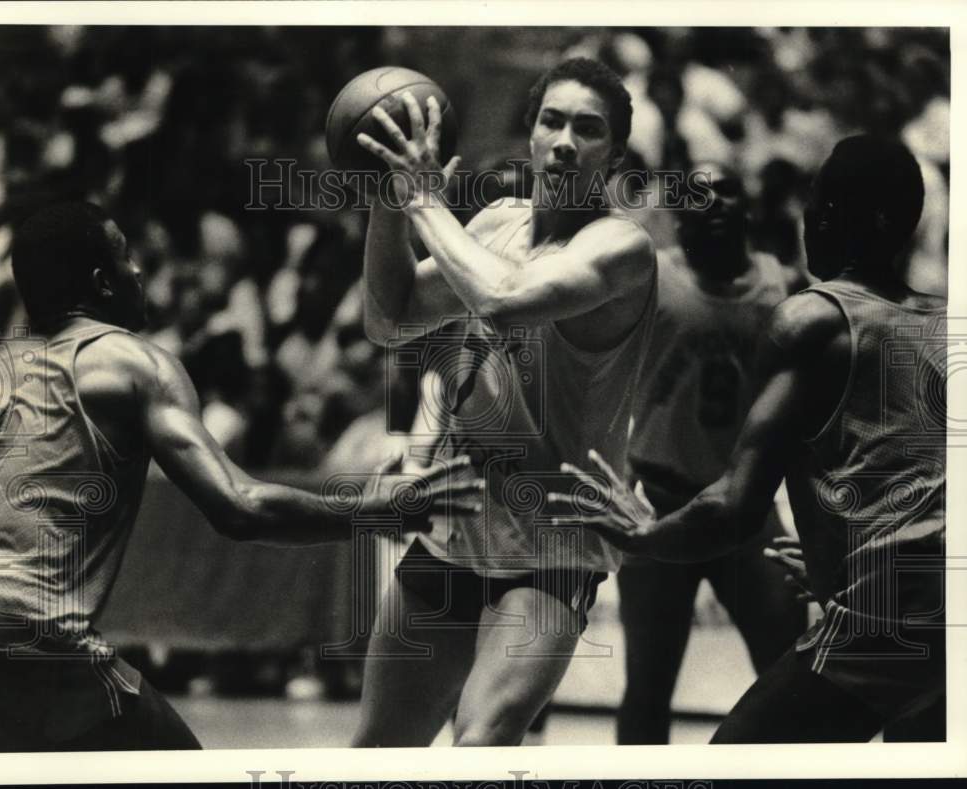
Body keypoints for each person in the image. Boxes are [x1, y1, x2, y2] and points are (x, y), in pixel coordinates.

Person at [0, 202, 482, 752]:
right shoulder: (132, 364)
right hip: (35, 629)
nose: (142, 270)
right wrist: (375, 509)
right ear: (102, 283)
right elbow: (239, 507)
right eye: (128, 256)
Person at [553, 135, 945, 743]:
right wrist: (846, 562)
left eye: (820, 203)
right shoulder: (949, 327)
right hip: (670, 487)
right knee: (651, 685)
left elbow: (737, 506)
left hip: (736, 518)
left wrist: (645, 534)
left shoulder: (798, 304)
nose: (806, 215)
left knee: (738, 751)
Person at [352, 57, 658, 746]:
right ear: (530, 132)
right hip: (458, 519)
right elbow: (388, 317)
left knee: (482, 740)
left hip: (555, 538)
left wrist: (426, 200)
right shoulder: (494, 224)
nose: (565, 141)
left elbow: (505, 300)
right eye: (552, 120)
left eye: (588, 128)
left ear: (616, 153)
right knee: (376, 750)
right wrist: (389, 197)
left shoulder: (622, 248)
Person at [616, 161, 808, 744]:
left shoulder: (787, 288)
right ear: (675, 215)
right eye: (697, 195)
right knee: (648, 687)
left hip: (747, 509)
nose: (714, 202)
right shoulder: (648, 277)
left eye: (727, 191)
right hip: (662, 503)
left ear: (746, 208)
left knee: (790, 680)